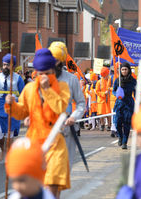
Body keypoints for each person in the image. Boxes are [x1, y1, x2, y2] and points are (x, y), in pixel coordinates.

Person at [4, 48, 70, 198]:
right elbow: (22, 113)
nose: (44, 77)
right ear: (36, 73)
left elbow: (61, 108)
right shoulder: (29, 89)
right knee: (34, 184)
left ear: (53, 70)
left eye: (47, 73)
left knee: (52, 184)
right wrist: (11, 105)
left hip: (55, 143)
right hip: (34, 144)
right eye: (41, 74)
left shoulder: (62, 87)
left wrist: (48, 90)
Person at [48, 41, 85, 169]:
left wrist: (74, 117)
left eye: (55, 60)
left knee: (63, 169)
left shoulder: (71, 79)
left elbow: (81, 103)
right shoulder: (42, 78)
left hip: (66, 129)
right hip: (47, 129)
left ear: (60, 61)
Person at [0, 54, 25, 161]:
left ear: (13, 66)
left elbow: (24, 95)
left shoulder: (18, 79)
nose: (5, 67)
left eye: (7, 65)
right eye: (4, 65)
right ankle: (3, 150)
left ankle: (8, 152)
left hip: (13, 107)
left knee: (9, 132)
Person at [113, 62, 136, 149]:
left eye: (126, 69)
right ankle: (120, 136)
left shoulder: (133, 81)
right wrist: (117, 94)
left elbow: (136, 93)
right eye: (122, 69)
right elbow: (113, 91)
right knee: (117, 122)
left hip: (129, 104)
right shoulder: (117, 80)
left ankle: (125, 142)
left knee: (127, 123)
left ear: (129, 70)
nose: (124, 71)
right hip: (119, 103)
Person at [96, 67, 111, 131]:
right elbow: (97, 91)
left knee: (108, 113)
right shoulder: (99, 82)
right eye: (106, 75)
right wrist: (103, 93)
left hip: (108, 100)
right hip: (101, 100)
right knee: (101, 113)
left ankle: (109, 125)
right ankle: (102, 124)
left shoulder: (110, 80)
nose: (108, 76)